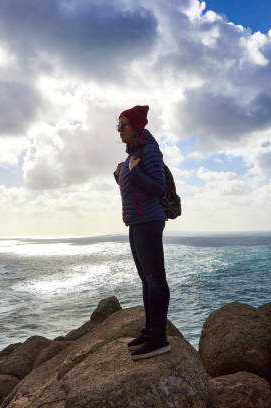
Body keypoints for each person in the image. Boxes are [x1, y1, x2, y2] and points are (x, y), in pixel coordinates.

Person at [114, 105, 171, 361]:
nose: (119, 131)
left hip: (149, 221)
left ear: (137, 127)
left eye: (122, 125)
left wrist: (133, 172)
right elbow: (135, 190)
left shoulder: (149, 151)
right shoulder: (133, 154)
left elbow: (158, 186)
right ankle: (150, 332)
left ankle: (159, 339)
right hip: (137, 222)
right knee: (146, 279)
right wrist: (120, 175)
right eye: (118, 126)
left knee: (155, 279)